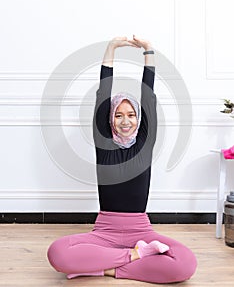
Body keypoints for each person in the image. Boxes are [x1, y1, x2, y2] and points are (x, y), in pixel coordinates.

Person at [47, 35, 197, 284]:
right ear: (110, 119)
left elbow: (147, 96)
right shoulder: (103, 142)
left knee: (186, 264)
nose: (125, 121)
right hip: (104, 232)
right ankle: (136, 256)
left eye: (131, 115)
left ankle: (105, 267)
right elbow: (103, 93)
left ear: (139, 119)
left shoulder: (144, 144)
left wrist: (149, 51)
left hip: (142, 230)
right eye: (118, 115)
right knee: (57, 252)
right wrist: (111, 48)